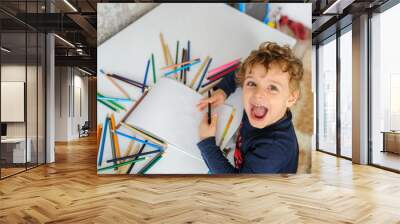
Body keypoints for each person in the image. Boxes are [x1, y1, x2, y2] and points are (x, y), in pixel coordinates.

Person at [196, 42, 303, 173]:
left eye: (273, 87)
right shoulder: (260, 108)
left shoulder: (272, 151)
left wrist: (207, 143)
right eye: (252, 83)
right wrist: (223, 90)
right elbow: (240, 72)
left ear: (291, 98)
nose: (258, 95)